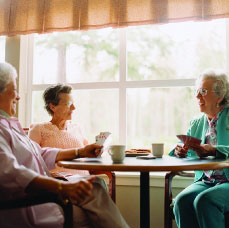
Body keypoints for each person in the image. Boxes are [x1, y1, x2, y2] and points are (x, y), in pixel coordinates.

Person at [0, 62, 129, 228]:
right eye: (15, 89)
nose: (18, 97)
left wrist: (81, 151)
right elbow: (8, 174)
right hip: (33, 205)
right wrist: (62, 187)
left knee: (95, 184)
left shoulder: (9, 125)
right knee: (96, 202)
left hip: (47, 195)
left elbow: (40, 153)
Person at [169, 69, 229, 228]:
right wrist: (180, 151)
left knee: (205, 200)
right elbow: (188, 151)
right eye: (197, 91)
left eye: (203, 91)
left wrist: (213, 150)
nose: (197, 96)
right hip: (206, 180)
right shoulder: (196, 123)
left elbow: (213, 150)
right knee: (182, 201)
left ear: (220, 96)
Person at [29, 84, 89, 176]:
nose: (74, 108)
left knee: (99, 183)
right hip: (57, 183)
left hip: (84, 180)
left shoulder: (78, 128)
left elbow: (88, 156)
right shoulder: (38, 129)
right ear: (52, 106)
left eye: (73, 104)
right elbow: (30, 162)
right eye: (69, 104)